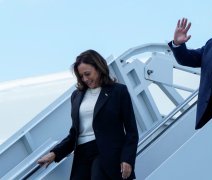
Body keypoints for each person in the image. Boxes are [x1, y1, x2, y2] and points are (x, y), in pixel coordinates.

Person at [37, 49, 139, 180]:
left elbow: (131, 131)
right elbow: (74, 134)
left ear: (99, 68)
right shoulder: (76, 96)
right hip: (82, 153)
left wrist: (128, 159)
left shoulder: (118, 91)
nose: (85, 79)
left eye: (87, 74)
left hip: (106, 154)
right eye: (81, 76)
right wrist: (54, 154)